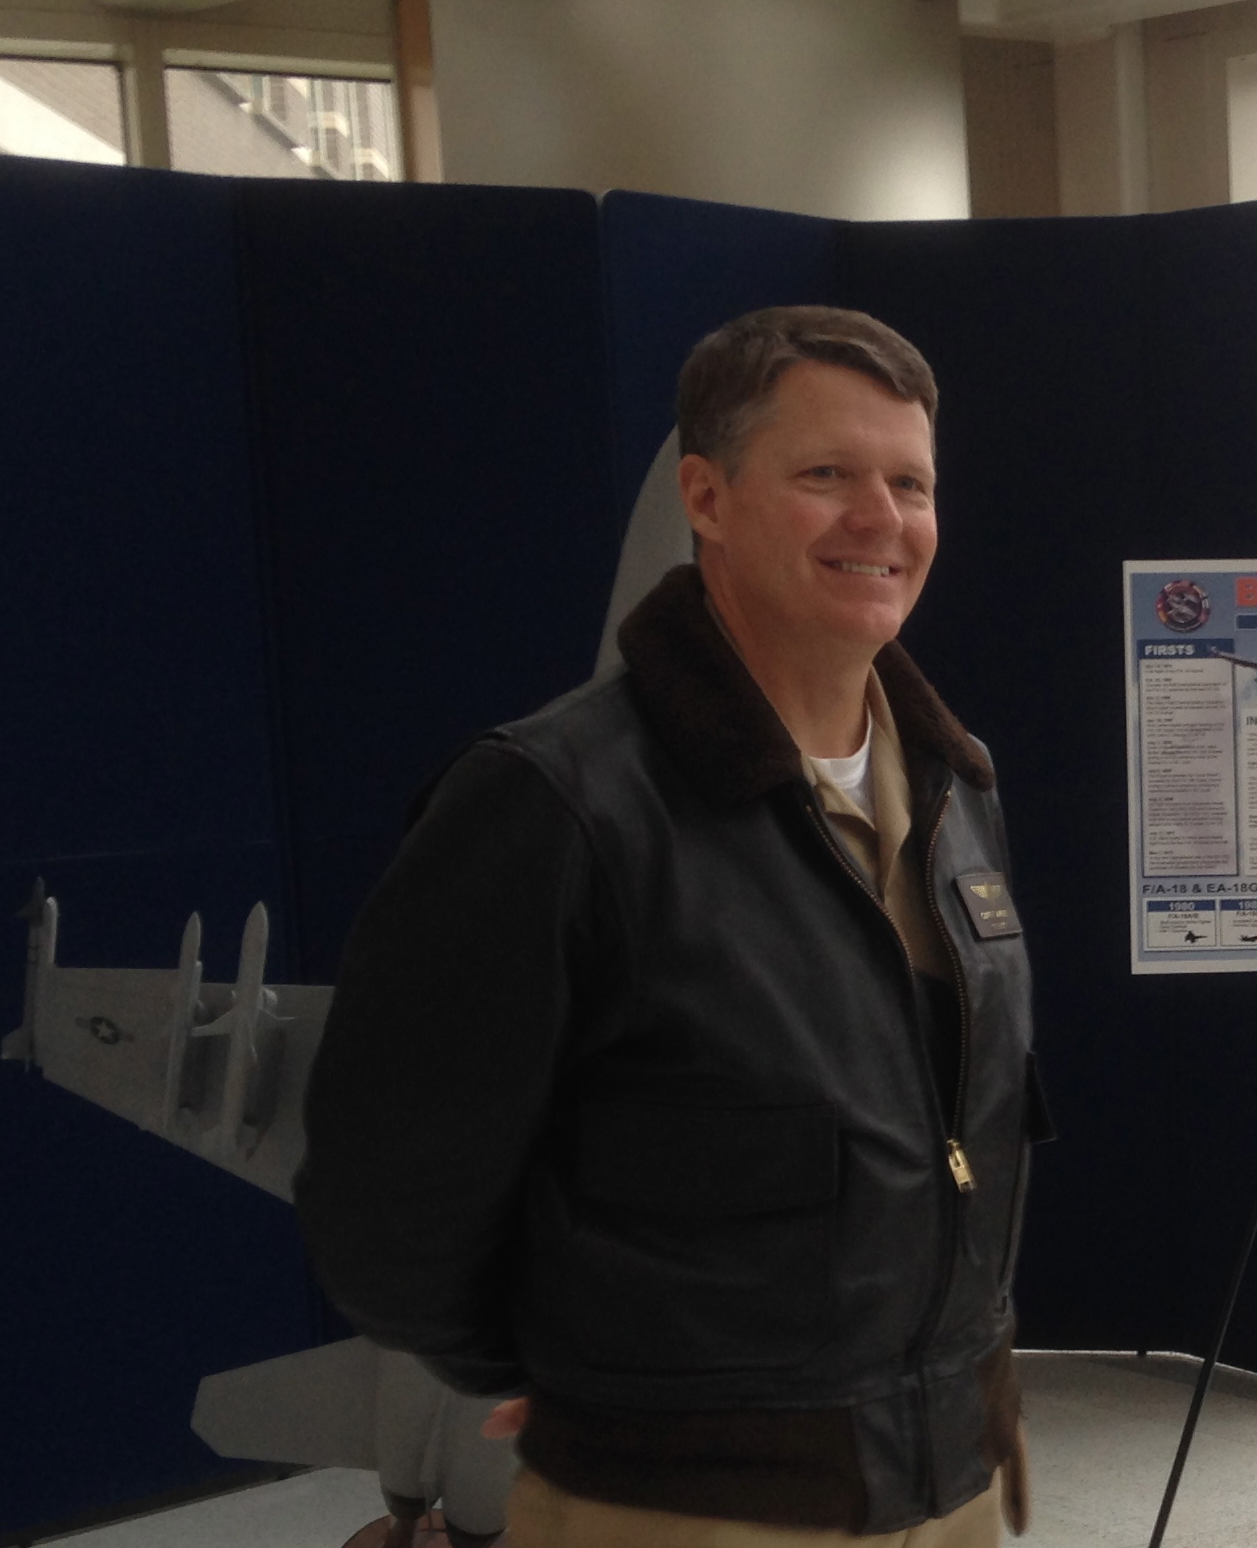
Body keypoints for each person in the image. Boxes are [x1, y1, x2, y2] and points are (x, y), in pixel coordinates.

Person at [297, 306, 1044, 1548]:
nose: (881, 519)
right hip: (683, 1509)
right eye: (826, 475)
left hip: (947, 1486)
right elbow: (390, 1206)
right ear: (706, 496)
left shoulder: (954, 788)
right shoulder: (555, 804)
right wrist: (582, 1380)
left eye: (910, 484)